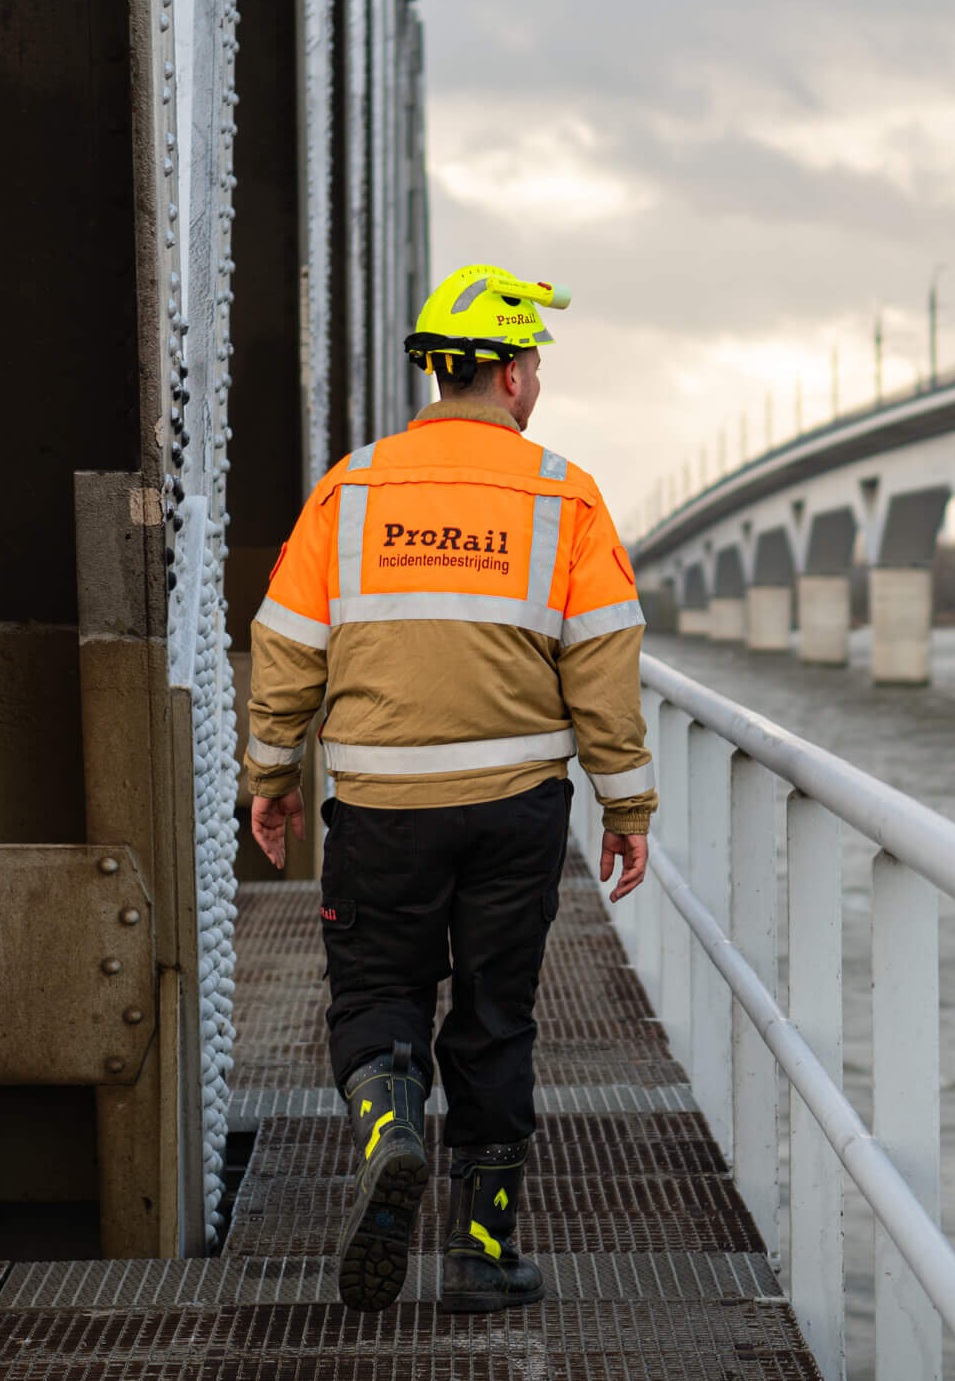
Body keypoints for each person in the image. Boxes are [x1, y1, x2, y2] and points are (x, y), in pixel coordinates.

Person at [242, 264, 654, 1316]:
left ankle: (388, 1129)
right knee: (495, 1015)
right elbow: (603, 662)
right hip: (514, 809)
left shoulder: (353, 489)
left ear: (437, 370)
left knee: (380, 992)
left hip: (380, 807)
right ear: (514, 376)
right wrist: (626, 803)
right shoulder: (563, 494)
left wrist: (272, 773)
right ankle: (481, 1253)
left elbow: (286, 643)